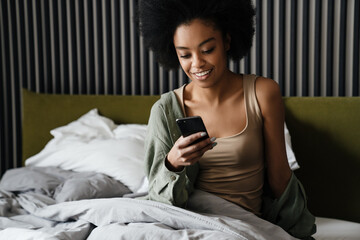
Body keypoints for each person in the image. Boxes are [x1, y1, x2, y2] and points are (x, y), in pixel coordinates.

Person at [137, 0, 316, 239]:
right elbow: (159, 200)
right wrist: (173, 163)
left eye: (207, 50)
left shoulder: (263, 92)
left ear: (227, 41)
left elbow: (280, 179)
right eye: (185, 55)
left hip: (239, 225)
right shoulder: (165, 109)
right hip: (186, 221)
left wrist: (298, 232)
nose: (197, 64)